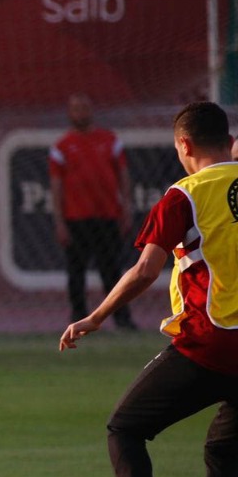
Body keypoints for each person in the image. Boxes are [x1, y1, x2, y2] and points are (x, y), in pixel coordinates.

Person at [60, 101, 238, 477]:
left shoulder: (184, 195)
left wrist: (96, 317)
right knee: (225, 455)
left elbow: (144, 270)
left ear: (184, 145)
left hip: (208, 345)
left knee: (124, 428)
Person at [49, 93, 137, 330]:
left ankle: (122, 318)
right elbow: (56, 186)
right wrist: (59, 222)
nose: (80, 113)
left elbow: (123, 175)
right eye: (76, 108)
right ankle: (78, 318)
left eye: (84, 108)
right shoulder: (61, 147)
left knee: (112, 271)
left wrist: (126, 209)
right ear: (70, 113)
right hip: (76, 218)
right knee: (76, 272)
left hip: (107, 216)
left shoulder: (110, 141)